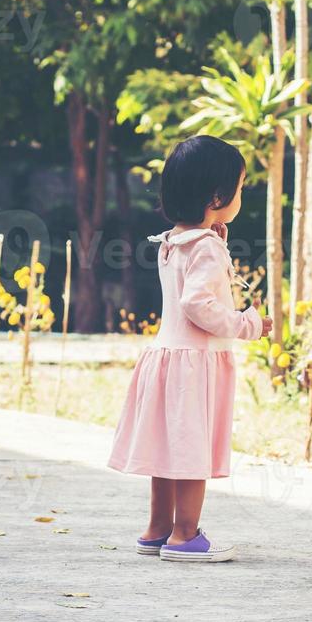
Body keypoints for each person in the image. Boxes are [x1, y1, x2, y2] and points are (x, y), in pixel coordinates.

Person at [108, 135, 272, 562]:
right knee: (191, 451)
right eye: (239, 189)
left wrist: (215, 231)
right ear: (218, 196)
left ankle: (157, 529)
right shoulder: (208, 247)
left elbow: (191, 284)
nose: (241, 196)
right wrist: (247, 324)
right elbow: (198, 303)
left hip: (167, 356)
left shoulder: (174, 241)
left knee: (168, 450)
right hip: (194, 365)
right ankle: (186, 535)